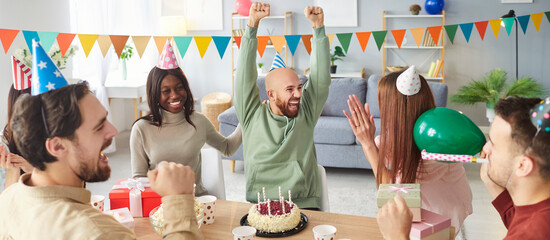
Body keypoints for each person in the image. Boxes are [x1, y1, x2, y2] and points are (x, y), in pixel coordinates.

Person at [0, 40, 202, 239]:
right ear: (58, 146)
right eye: (98, 127)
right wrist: (178, 201)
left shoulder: (9, 199)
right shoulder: (98, 232)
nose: (114, 131)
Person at [377, 96, 550, 240]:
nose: (485, 149)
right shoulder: (537, 212)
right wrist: (491, 180)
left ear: (522, 165)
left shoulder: (532, 234)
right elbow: (517, 219)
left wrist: (397, 236)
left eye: (494, 144)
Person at [344, 66, 472, 230]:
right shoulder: (395, 136)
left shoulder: (436, 147)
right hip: (427, 212)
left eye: (382, 103)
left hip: (443, 218)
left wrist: (368, 144)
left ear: (395, 110)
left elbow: (393, 192)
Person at [234, 2, 329, 209]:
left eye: (299, 87)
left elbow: (321, 80)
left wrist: (318, 29)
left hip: (302, 204)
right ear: (271, 94)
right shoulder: (252, 115)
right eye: (289, 89)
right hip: (260, 204)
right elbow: (243, 78)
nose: (298, 94)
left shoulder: (306, 114)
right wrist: (252, 25)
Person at [130, 41, 242, 196]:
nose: (175, 95)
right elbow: (139, 181)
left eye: (179, 88)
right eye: (166, 91)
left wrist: (246, 119)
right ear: (155, 93)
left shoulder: (199, 121)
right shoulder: (141, 129)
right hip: (159, 204)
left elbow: (228, 148)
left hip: (196, 202)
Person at [1, 57, 34, 191]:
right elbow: (8, 201)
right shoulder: (6, 139)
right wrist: (14, 169)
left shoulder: (54, 134)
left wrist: (31, 169)